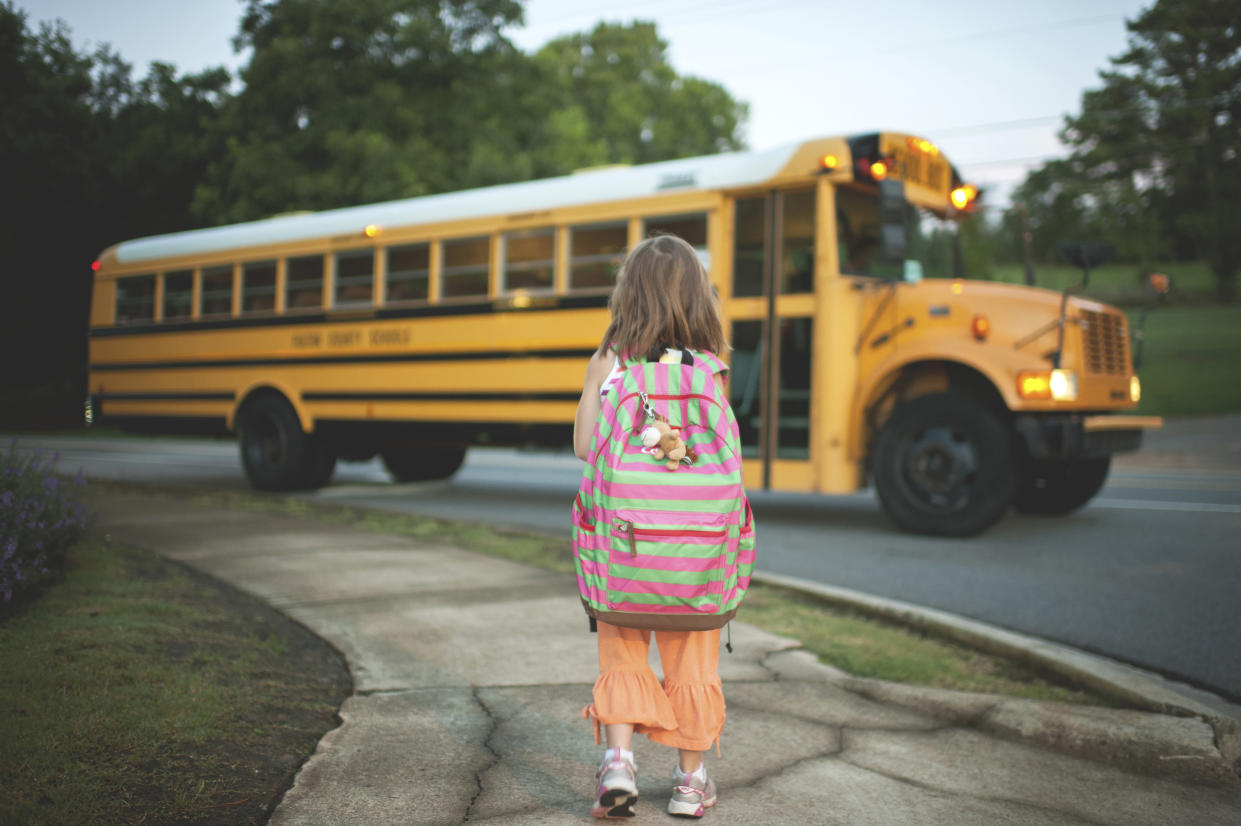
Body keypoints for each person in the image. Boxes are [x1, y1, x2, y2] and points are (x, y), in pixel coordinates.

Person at [573, 234, 732, 819]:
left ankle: (618, 764)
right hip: (695, 553)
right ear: (697, 297)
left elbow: (587, 448)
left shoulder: (611, 361)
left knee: (622, 656)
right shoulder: (711, 369)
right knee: (694, 662)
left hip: (625, 547)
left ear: (628, 293)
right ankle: (690, 784)